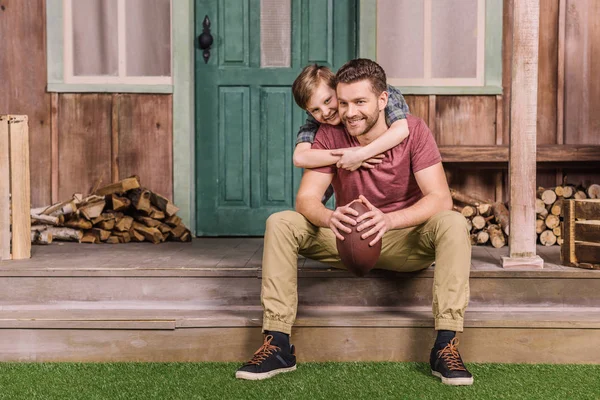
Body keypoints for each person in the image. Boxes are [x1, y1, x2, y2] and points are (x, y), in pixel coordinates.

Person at [236, 59, 473, 386]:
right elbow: (306, 200)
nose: (349, 112)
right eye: (343, 103)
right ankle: (277, 343)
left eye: (360, 102)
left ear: (383, 100)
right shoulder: (330, 135)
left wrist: (389, 220)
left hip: (402, 239)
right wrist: (331, 217)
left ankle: (446, 344)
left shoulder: (412, 130)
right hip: (347, 238)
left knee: (452, 222)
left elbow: (439, 198)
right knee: (282, 222)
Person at [291, 64, 410, 203]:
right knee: (316, 188)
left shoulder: (378, 95)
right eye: (315, 110)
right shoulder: (317, 122)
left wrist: (361, 154)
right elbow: (300, 157)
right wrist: (348, 154)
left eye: (328, 100)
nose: (325, 112)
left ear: (338, 88)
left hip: (389, 156)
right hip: (346, 169)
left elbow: (402, 129)